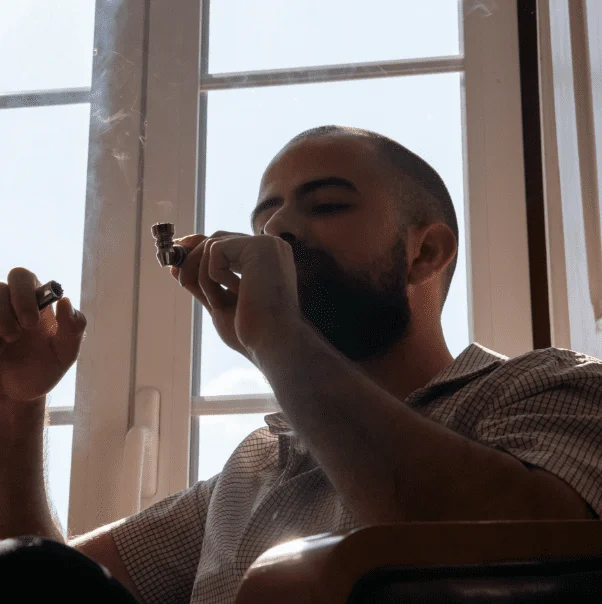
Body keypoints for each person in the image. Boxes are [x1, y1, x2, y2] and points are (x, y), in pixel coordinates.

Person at [0, 125, 600, 604]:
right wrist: (19, 402)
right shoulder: (255, 469)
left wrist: (279, 342)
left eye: (328, 205)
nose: (278, 230)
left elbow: (530, 559)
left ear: (426, 251)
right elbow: (47, 584)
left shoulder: (550, 387)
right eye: (265, 218)